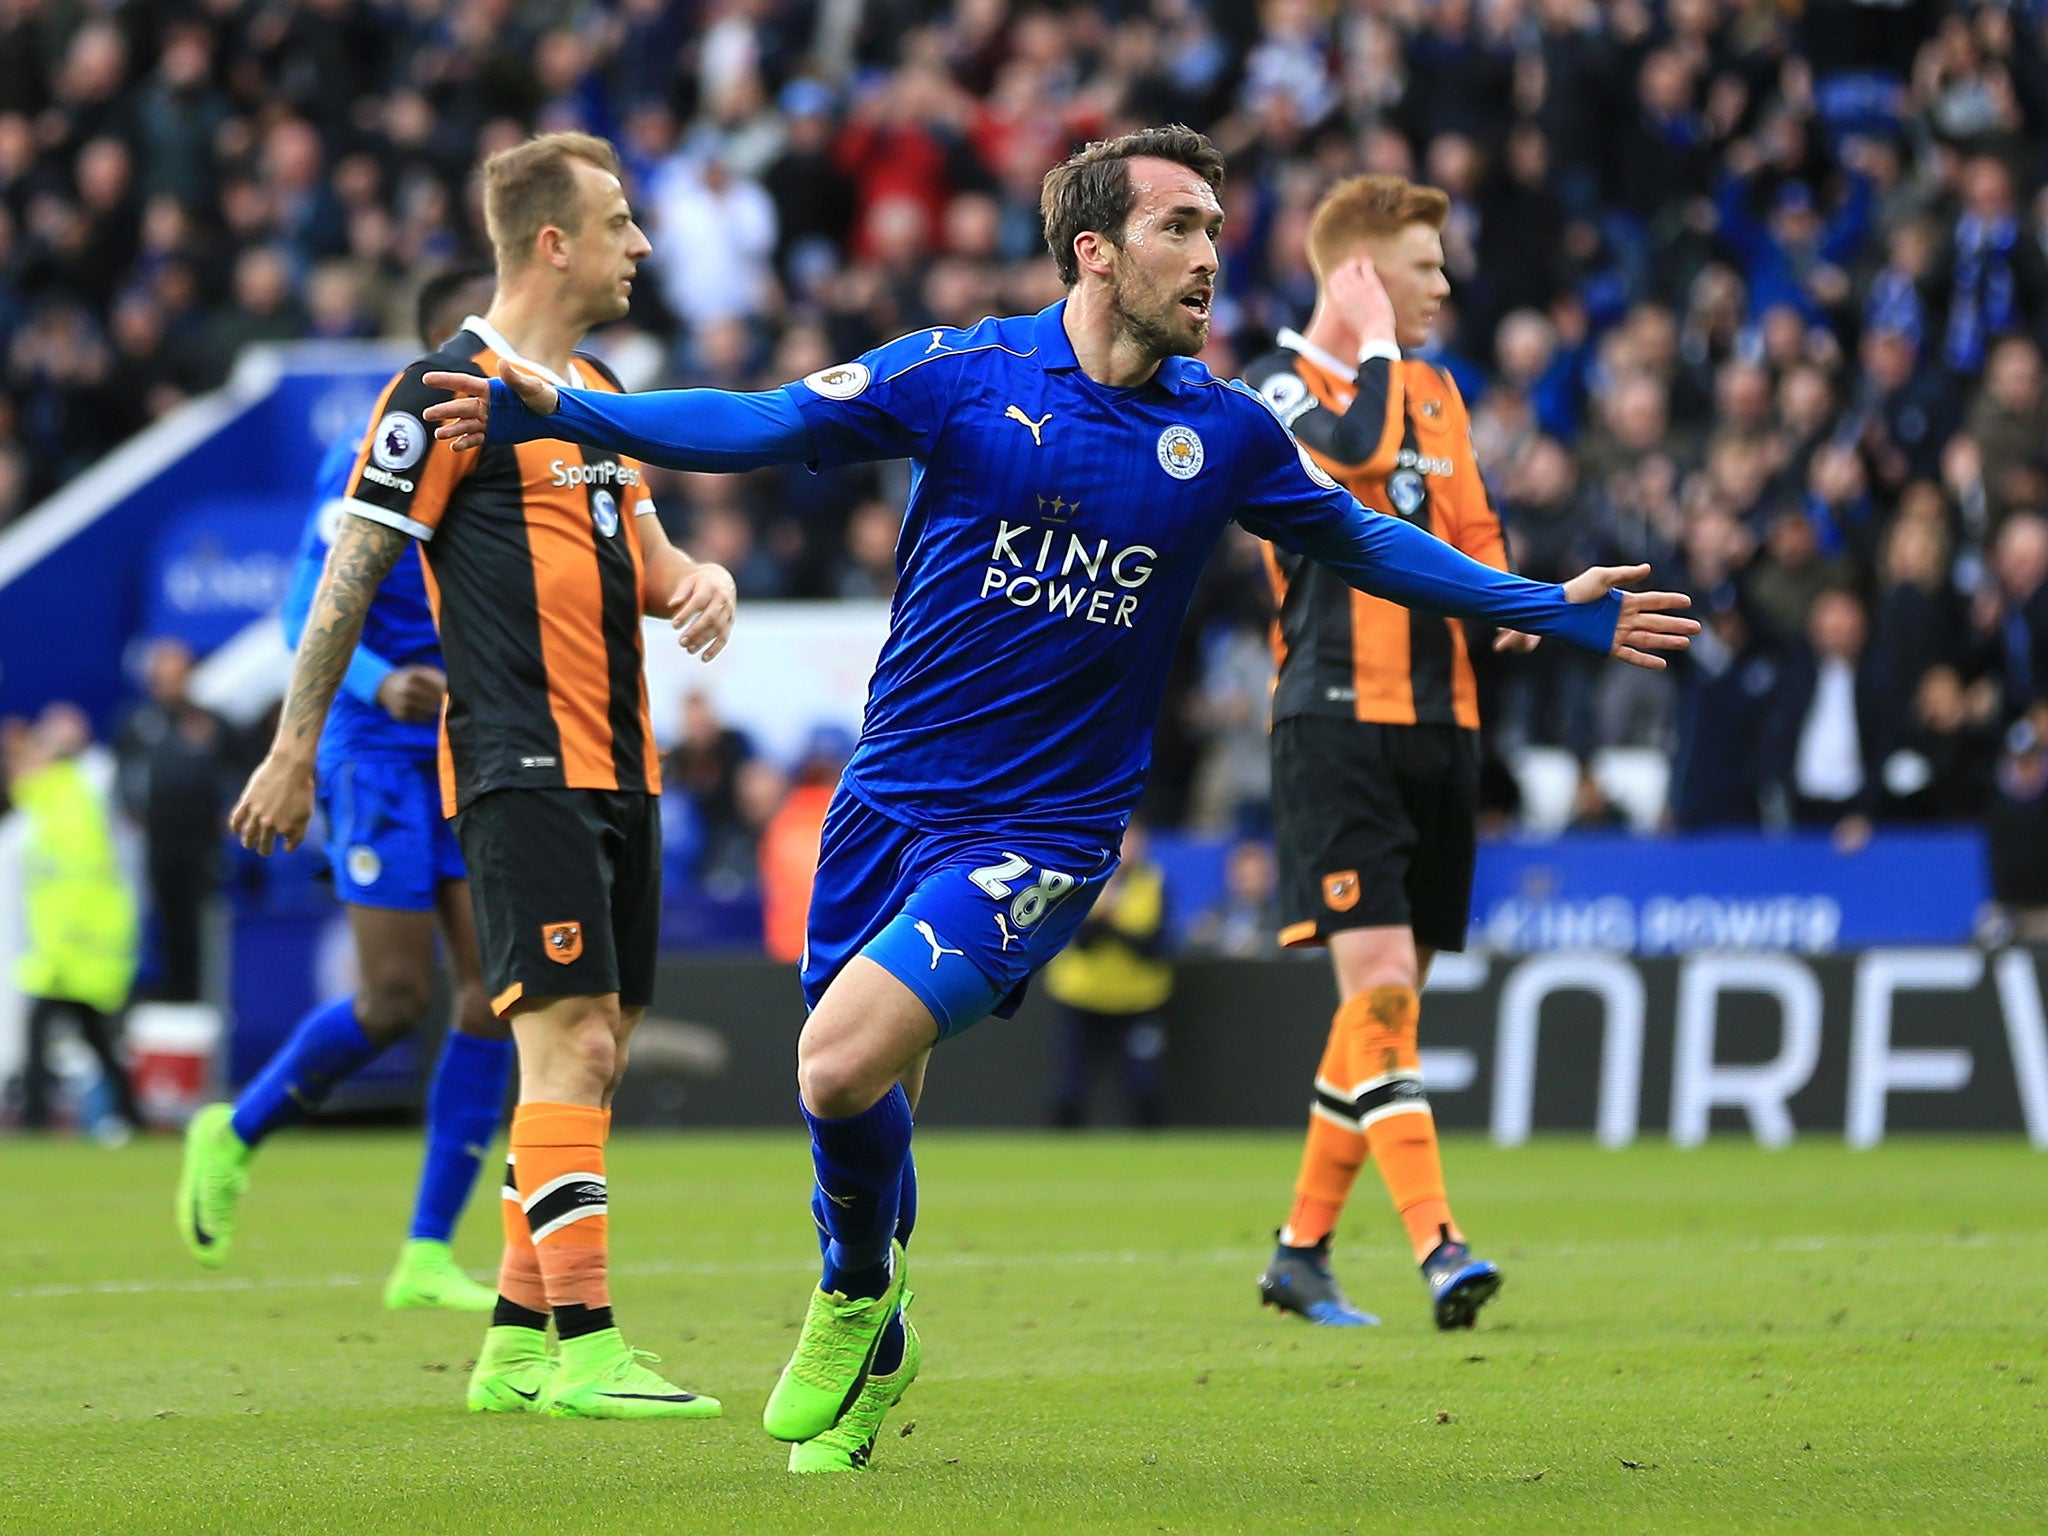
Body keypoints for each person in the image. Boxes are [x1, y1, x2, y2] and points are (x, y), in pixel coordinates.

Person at [422, 124, 1695, 1470]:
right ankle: (878, 1327)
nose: (1211, 255)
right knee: (868, 1091)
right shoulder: (962, 373)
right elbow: (766, 420)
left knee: (838, 1059)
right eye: (1180, 229)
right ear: (1095, 251)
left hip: (1044, 832)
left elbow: (1368, 539)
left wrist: (1541, 606)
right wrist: (568, 411)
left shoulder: (1227, 430)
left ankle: (853, 1294)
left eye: (1216, 229)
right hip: (888, 803)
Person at [224, 133, 737, 1422]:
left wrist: (702, 583)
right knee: (565, 1040)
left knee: (594, 1051)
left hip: (626, 770)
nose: (642, 245)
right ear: (552, 242)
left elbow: (652, 558)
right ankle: (587, 1349)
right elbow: (348, 579)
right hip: (520, 763)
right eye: (620, 223)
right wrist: (294, 748)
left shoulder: (599, 387)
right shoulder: (439, 392)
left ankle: (514, 1344)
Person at [174, 265, 514, 1312]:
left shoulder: (512, 436)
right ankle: (233, 1130)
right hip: (373, 749)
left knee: (493, 1001)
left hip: (466, 746)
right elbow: (300, 614)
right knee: (391, 1000)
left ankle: (423, 1252)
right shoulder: (377, 442)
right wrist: (378, 681)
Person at [1240, 172, 1534, 1331]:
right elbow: (1357, 451)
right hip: (1331, 722)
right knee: (1381, 991)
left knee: (1383, 1002)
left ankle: (1299, 1251)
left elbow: (1472, 532)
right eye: (1421, 266)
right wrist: (1361, 344)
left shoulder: (1440, 393)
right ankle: (1438, 1245)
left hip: (1440, 726)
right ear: (1357, 274)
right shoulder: (1271, 387)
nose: (1443, 284)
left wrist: (1518, 598)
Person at [7, 705, 143, 1136]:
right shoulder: (52, 794)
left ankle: (40, 1121)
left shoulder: (91, 783)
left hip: (85, 946)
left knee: (91, 1039)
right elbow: (23, 774)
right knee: (79, 1038)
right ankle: (119, 1116)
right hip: (60, 949)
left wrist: (47, 741)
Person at [114, 636, 238, 1002]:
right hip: (157, 840)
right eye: (165, 675)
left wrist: (232, 813)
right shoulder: (137, 722)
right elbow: (122, 772)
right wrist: (130, 808)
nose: (173, 682)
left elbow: (246, 769)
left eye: (180, 674)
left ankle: (204, 995)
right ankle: (167, 998)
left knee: (201, 922)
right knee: (160, 921)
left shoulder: (213, 724)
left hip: (203, 843)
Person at [1043, 821, 1173, 1128]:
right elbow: (1080, 940)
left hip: (1138, 1002)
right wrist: (1110, 918)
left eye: (1136, 841)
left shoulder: (1154, 883)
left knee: (1144, 1087)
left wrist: (1111, 921)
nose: (1129, 849)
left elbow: (1153, 948)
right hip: (1082, 998)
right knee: (1070, 1089)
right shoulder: (1083, 878)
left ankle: (1153, 1161)